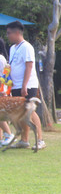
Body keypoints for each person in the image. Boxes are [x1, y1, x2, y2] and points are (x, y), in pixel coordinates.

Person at [6, 21, 45, 150]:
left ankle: (40, 140)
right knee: (21, 113)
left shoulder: (27, 47)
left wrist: (24, 86)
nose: (8, 36)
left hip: (27, 85)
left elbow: (29, 66)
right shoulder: (12, 48)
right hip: (16, 85)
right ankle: (24, 140)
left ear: (17, 32)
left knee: (30, 111)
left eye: (9, 33)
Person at [0, 37, 15, 146]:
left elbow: (3, 76)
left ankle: (9, 134)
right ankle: (2, 138)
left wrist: (2, 91)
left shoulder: (1, 59)